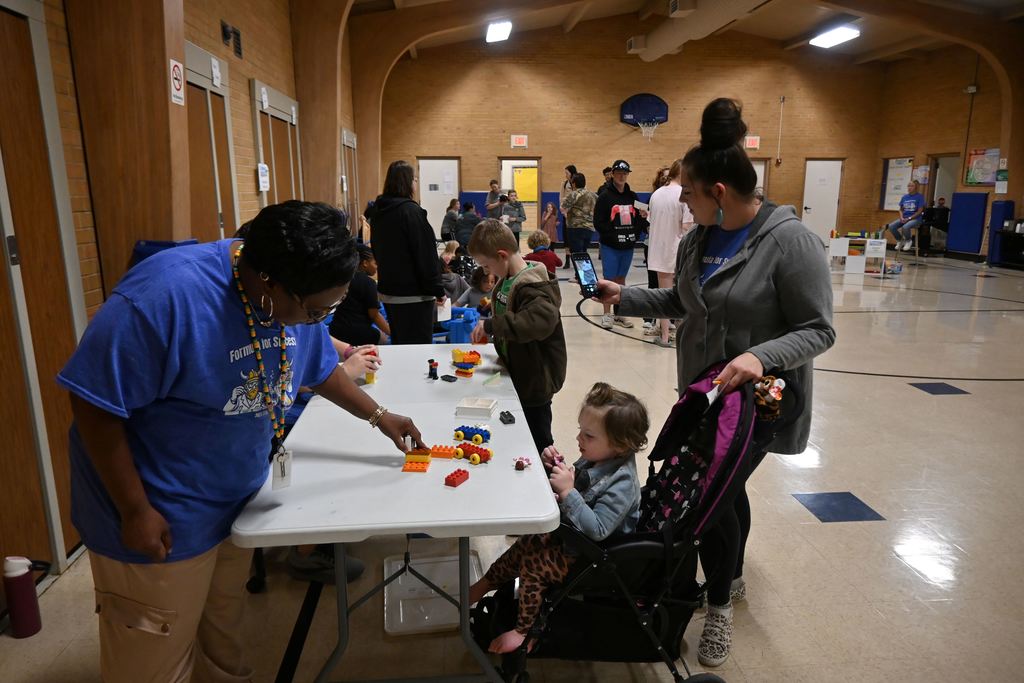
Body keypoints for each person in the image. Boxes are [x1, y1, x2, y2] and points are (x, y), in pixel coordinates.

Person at [58, 201, 425, 682]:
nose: (318, 320)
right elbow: (95, 402)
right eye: (316, 310)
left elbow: (318, 367)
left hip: (236, 503)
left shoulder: (296, 304)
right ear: (270, 282)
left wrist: (379, 415)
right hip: (161, 511)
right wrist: (134, 510)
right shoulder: (165, 297)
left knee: (222, 634)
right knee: (152, 654)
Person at [596, 99, 835, 668]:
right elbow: (684, 302)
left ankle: (720, 603)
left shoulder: (790, 242)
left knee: (714, 495)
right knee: (729, 490)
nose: (681, 200)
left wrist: (759, 356)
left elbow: (818, 329)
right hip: (703, 396)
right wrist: (625, 296)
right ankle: (736, 574)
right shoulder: (697, 241)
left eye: (689, 193)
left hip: (758, 404)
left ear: (719, 192)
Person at [467, 382, 646, 654]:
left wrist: (568, 491)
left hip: (593, 556)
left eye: (588, 435)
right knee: (527, 543)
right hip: (571, 539)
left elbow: (598, 529)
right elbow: (581, 483)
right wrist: (557, 466)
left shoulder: (623, 484)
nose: (579, 439)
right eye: (580, 430)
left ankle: (525, 632)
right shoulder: (599, 457)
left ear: (620, 445)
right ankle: (484, 584)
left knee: (534, 563)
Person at [468, 219, 566, 453]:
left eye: (487, 266)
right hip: (517, 372)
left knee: (539, 441)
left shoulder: (533, 286)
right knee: (517, 433)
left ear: (502, 255)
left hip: (535, 381)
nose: (487, 272)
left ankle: (549, 472)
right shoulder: (507, 280)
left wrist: (492, 325)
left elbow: (538, 322)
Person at [369, 160, 446, 344]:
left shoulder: (378, 212)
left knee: (401, 346)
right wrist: (437, 289)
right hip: (415, 295)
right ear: (408, 182)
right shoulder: (411, 211)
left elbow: (377, 248)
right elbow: (426, 255)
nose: (416, 183)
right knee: (418, 350)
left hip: (389, 292)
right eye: (415, 179)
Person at [594, 159, 649, 330]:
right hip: (610, 246)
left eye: (625, 173)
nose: (622, 176)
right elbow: (598, 222)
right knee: (608, 279)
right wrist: (612, 235)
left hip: (628, 246)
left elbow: (642, 216)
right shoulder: (604, 196)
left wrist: (636, 234)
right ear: (612, 174)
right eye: (618, 173)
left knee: (621, 280)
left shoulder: (633, 196)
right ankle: (606, 314)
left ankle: (619, 313)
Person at [645, 159, 694, 348]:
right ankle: (682, 334)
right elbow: (688, 227)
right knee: (682, 294)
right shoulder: (684, 194)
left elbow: (651, 221)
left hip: (657, 250)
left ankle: (664, 336)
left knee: (663, 295)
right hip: (678, 251)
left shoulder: (656, 194)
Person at [329, 244, 390, 346]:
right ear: (365, 263)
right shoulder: (368, 283)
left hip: (336, 329)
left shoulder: (342, 279)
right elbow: (374, 315)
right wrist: (391, 332)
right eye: (375, 263)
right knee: (384, 340)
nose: (377, 267)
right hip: (359, 332)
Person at [560, 172, 598, 262]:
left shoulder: (573, 194)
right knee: (583, 252)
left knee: (577, 254)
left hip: (575, 227)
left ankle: (581, 271)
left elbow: (563, 206)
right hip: (589, 228)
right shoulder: (593, 195)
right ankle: (584, 270)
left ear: (574, 184)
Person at [887, 180, 926, 251]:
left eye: (912, 186)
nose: (909, 187)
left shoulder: (920, 197)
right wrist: (901, 217)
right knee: (891, 226)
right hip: (905, 218)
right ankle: (900, 240)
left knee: (905, 227)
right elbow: (901, 210)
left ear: (916, 187)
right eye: (908, 186)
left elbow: (920, 211)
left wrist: (909, 218)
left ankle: (908, 241)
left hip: (916, 219)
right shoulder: (904, 197)